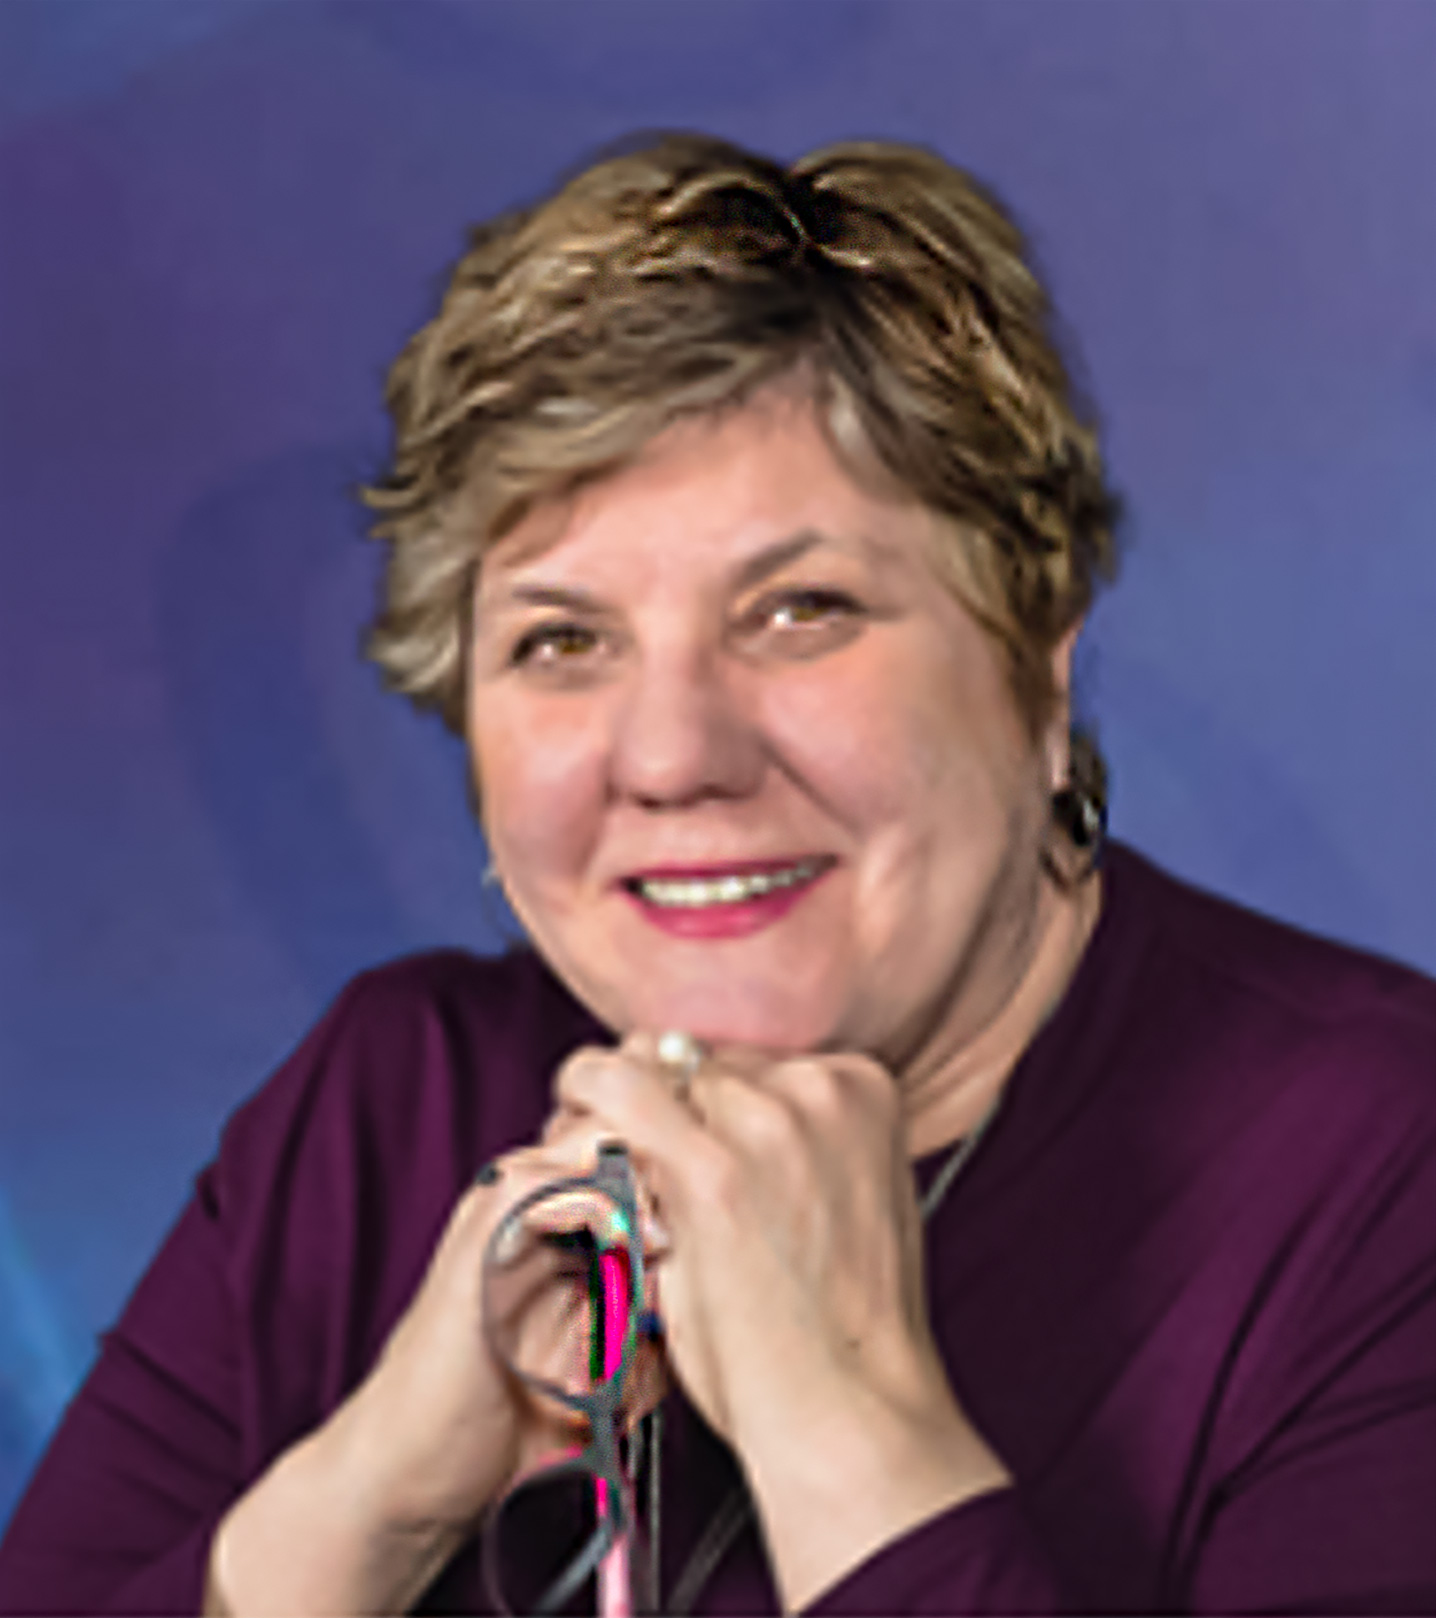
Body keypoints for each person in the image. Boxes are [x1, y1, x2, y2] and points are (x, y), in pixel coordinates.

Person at [0, 130, 1432, 1617]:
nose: (673, 755)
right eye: (563, 641)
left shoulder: (1386, 1174)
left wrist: (851, 1422)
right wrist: (369, 1496)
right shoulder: (384, 1109)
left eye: (801, 610)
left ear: (1037, 660)